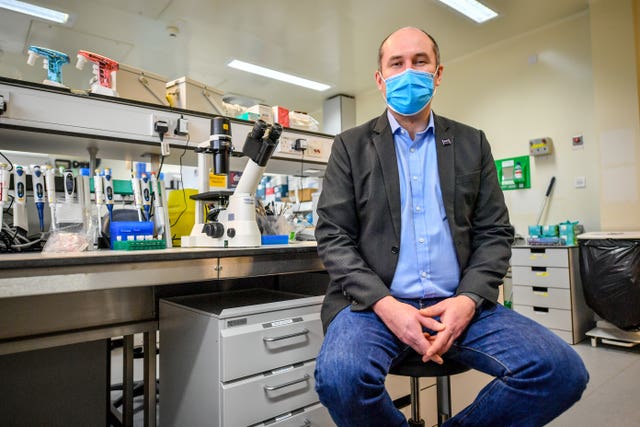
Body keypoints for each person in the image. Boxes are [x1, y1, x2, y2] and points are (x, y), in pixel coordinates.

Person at [314, 26, 589, 427]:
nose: (409, 71)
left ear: (438, 73)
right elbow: (333, 237)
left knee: (561, 372)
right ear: (380, 78)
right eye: (397, 63)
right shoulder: (350, 147)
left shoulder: (470, 142)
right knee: (340, 380)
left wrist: (467, 301)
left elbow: (494, 233)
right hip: (373, 306)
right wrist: (387, 306)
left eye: (420, 61)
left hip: (457, 303)